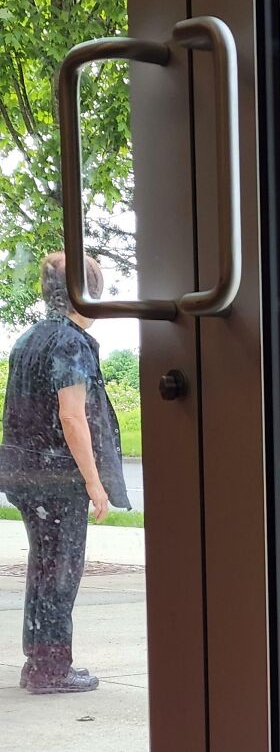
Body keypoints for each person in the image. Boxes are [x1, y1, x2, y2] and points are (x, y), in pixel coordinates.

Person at [0, 252, 131, 694]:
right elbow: (72, 417)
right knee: (60, 572)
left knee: (44, 566)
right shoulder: (71, 342)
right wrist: (95, 483)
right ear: (84, 292)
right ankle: (50, 669)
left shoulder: (29, 338)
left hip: (24, 472)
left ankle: (38, 662)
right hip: (57, 477)